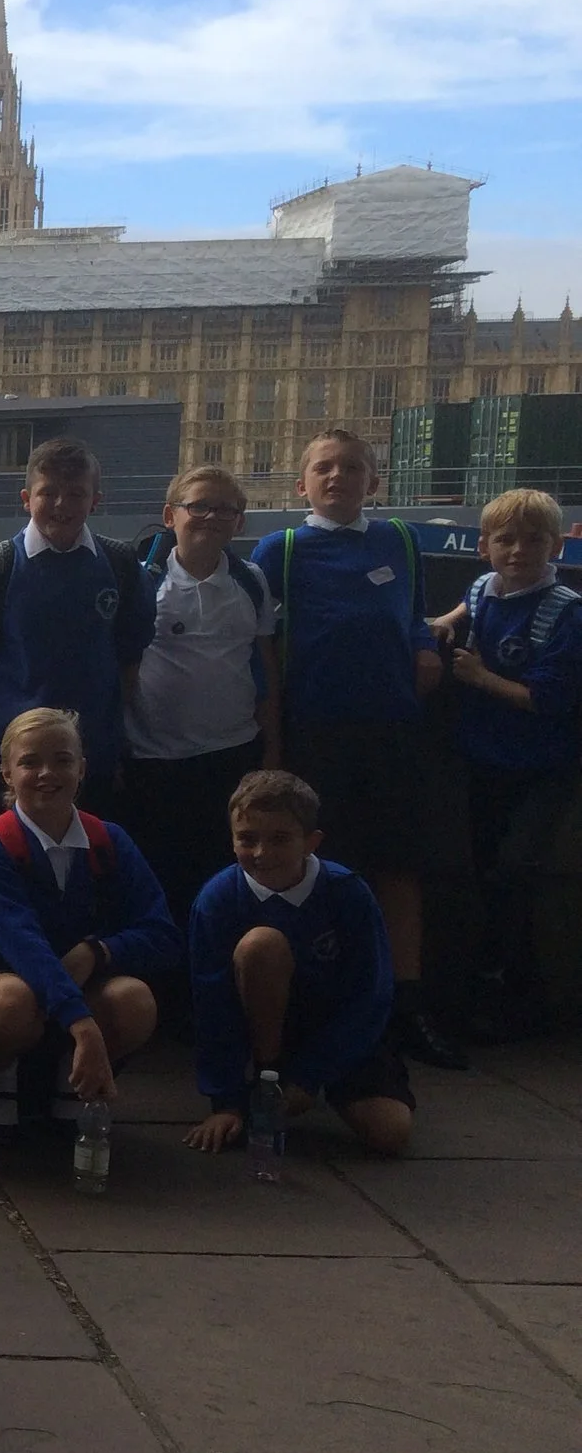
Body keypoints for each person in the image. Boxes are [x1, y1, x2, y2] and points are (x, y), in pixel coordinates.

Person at [250, 428, 458, 1067]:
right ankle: (322, 1003)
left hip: (393, 731)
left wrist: (425, 648)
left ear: (374, 481)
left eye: (351, 467)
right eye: (323, 468)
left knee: (399, 868)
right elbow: (267, 655)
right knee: (314, 870)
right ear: (302, 484)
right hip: (318, 735)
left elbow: (415, 614)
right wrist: (277, 749)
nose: (337, 477)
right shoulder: (280, 550)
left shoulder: (399, 540)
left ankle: (405, 1005)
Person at [0, 707, 177, 1143]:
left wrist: (97, 951)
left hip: (81, 981)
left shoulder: (110, 841)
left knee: (135, 1001)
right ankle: (0, 1087)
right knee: (10, 1003)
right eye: (30, 761)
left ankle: (71, 1090)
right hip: (6, 979)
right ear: (7, 774)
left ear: (82, 769)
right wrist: (82, 1023)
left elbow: (161, 933)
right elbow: (22, 941)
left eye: (63, 760)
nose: (47, 772)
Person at [185, 770, 413, 1159]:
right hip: (261, 1029)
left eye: (280, 839)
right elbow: (211, 1002)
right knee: (262, 945)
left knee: (390, 1132)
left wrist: (311, 1077)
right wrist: (223, 1101)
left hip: (335, 1028)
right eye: (247, 839)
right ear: (232, 839)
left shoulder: (348, 893)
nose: (261, 853)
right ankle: (265, 1081)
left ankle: (302, 1090)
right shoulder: (218, 899)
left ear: (312, 842)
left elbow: (371, 995)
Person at [427, 487, 581, 1043]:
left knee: (516, 875)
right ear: (486, 548)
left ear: (555, 546)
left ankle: (518, 993)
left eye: (533, 540)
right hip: (481, 762)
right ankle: (480, 986)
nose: (518, 551)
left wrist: (479, 678)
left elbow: (548, 700)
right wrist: (442, 622)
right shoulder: (484, 588)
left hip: (537, 769)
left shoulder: (565, 613)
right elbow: (469, 604)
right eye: (505, 540)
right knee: (475, 875)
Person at [0, 436, 152, 813]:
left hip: (89, 759)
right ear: (25, 498)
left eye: (76, 494)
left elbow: (130, 654)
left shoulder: (121, 566)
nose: (61, 505)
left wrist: (110, 730)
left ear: (96, 500)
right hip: (8, 761)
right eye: (48, 493)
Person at [118, 465, 281, 926]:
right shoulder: (143, 582)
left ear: (240, 522)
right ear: (171, 516)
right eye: (199, 506)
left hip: (233, 756)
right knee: (162, 883)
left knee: (229, 881)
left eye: (225, 509)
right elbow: (122, 670)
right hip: (156, 762)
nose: (212, 516)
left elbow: (265, 665)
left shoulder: (251, 581)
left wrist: (273, 747)